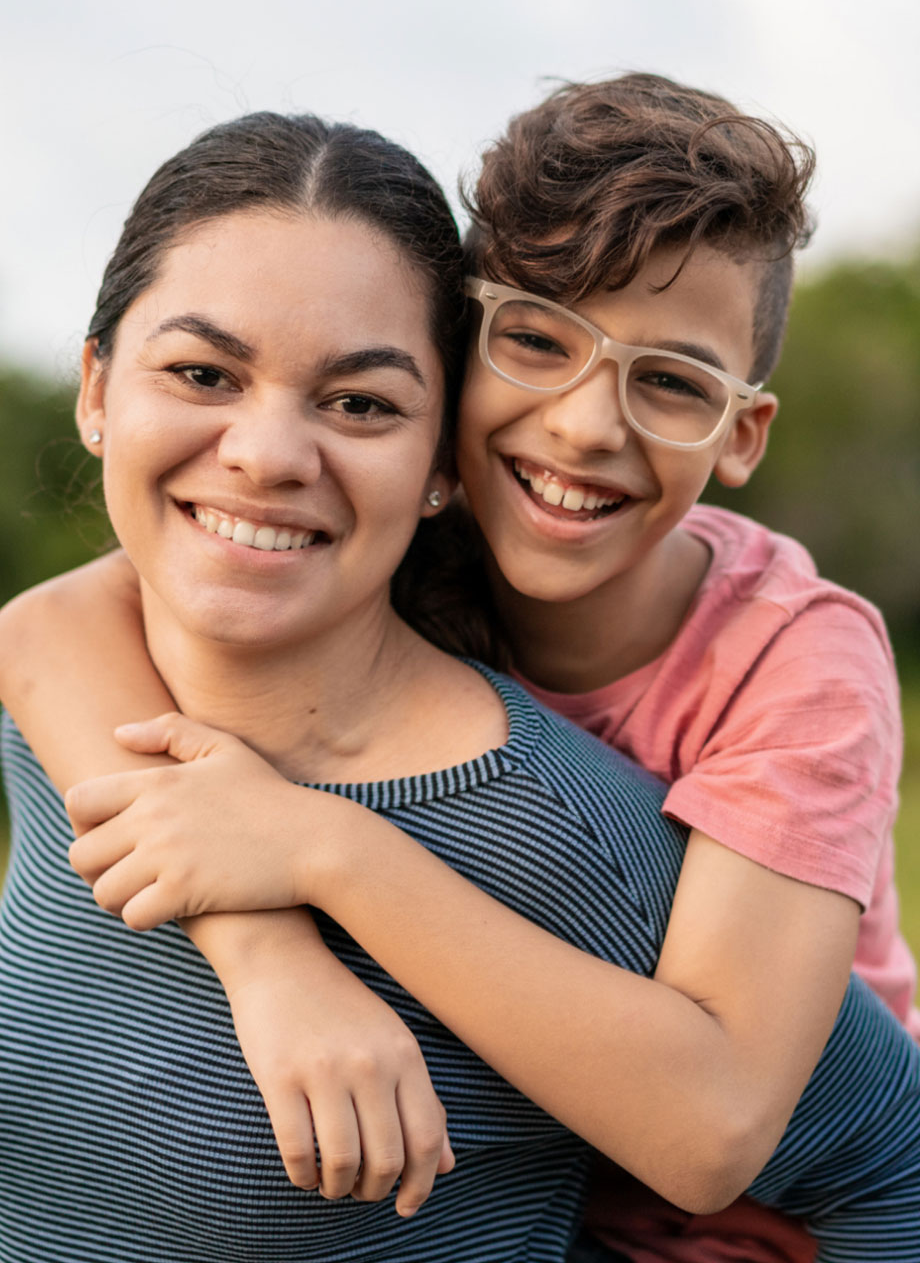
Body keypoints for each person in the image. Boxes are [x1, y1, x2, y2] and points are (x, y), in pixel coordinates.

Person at [0, 79, 916, 1262]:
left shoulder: (787, 660)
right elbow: (45, 624)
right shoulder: (387, 545)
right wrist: (262, 946)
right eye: (536, 341)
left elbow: (720, 1121)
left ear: (742, 431)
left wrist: (324, 848)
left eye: (673, 380)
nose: (584, 427)